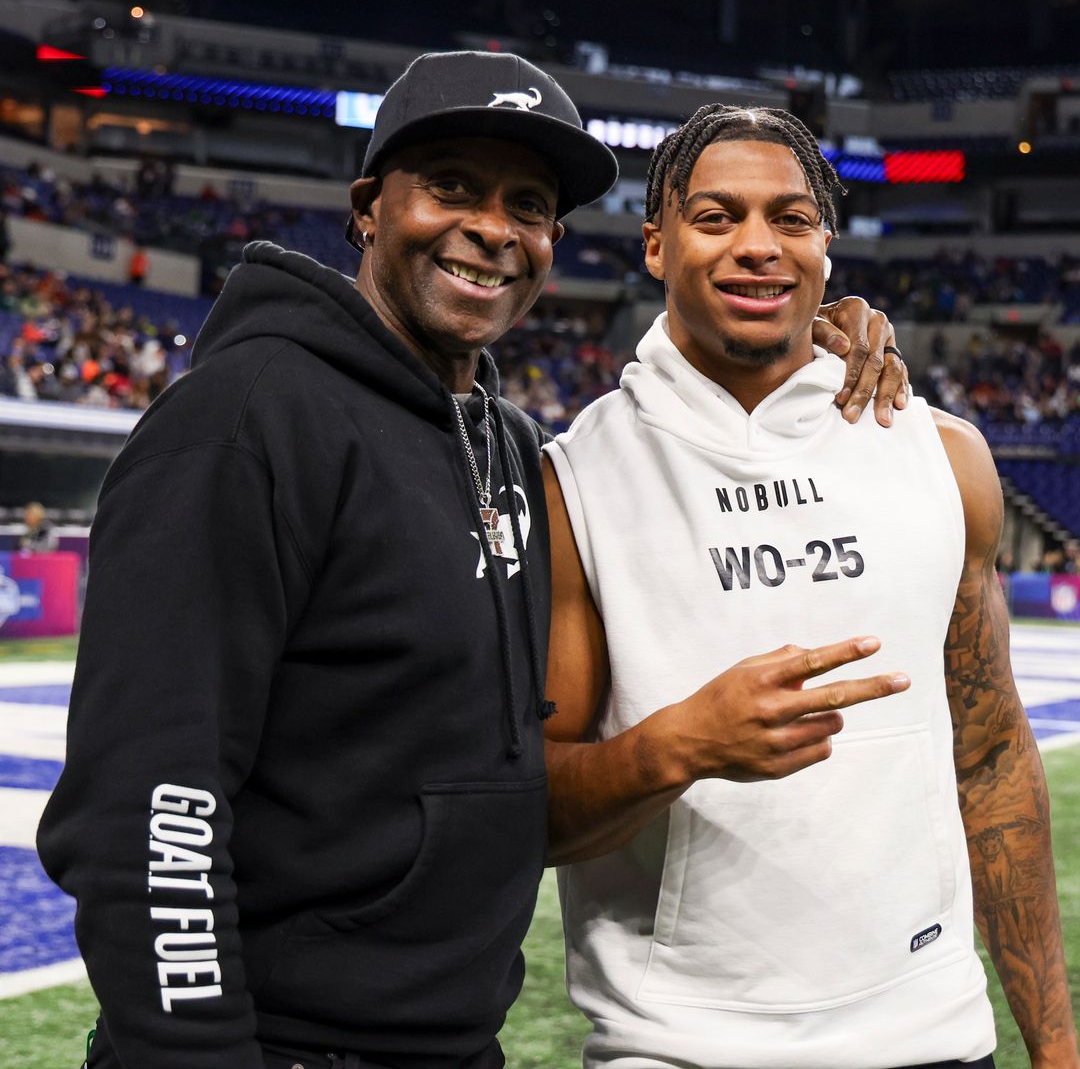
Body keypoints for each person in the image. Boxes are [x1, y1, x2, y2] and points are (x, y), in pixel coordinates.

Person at [38, 53, 906, 1069]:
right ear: (369, 207)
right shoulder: (243, 423)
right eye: (452, 186)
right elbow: (149, 804)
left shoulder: (504, 442)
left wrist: (823, 334)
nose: (494, 228)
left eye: (528, 204)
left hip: (450, 1044)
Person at [543, 105, 1079, 1069]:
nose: (759, 246)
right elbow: (527, 809)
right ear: (656, 246)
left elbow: (993, 759)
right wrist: (678, 747)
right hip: (678, 1050)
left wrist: (1055, 1046)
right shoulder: (573, 481)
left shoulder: (942, 455)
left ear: (828, 246)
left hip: (934, 1039)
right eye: (717, 217)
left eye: (791, 218)